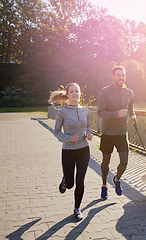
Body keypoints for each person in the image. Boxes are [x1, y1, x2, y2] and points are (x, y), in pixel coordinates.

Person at [48, 83, 92, 221]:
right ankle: (65, 181)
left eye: (77, 91)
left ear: (80, 94)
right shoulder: (62, 112)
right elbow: (56, 131)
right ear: (67, 95)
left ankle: (77, 208)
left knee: (80, 181)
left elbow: (89, 126)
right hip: (68, 151)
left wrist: (89, 134)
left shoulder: (85, 110)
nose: (75, 93)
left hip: (84, 149)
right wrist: (69, 138)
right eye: (72, 91)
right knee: (70, 184)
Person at [97, 66, 136, 200]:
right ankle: (104, 186)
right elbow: (100, 112)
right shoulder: (105, 92)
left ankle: (117, 179)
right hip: (107, 133)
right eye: (118, 75)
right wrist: (116, 114)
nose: (121, 78)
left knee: (124, 162)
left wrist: (133, 115)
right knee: (105, 162)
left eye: (123, 75)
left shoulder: (129, 92)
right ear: (113, 77)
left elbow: (131, 107)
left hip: (121, 133)